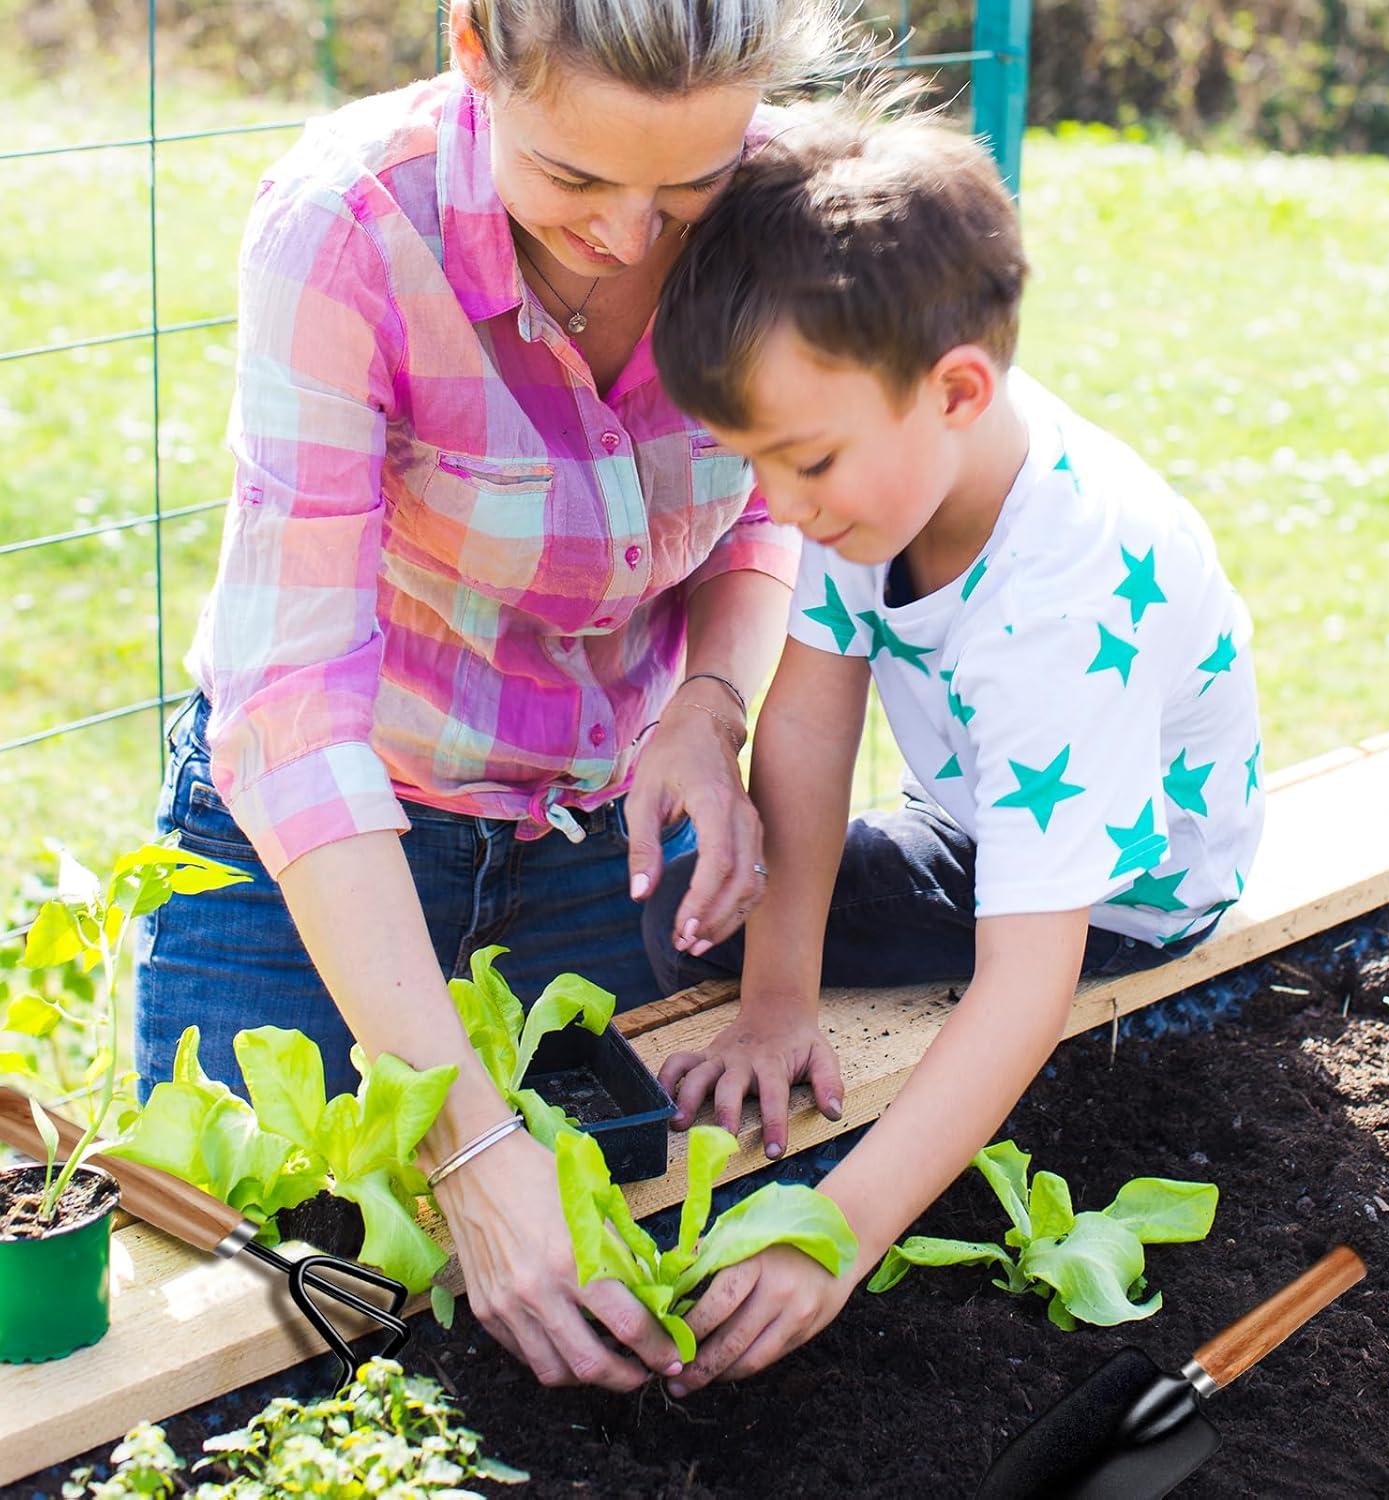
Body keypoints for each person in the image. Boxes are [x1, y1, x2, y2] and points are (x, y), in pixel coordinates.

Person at [133, 0, 857, 1392]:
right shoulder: (350, 230)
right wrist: (462, 1136)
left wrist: (712, 699)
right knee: (250, 1343)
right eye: (576, 178)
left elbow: (779, 503)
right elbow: (288, 707)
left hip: (607, 839)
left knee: (583, 1274)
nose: (634, 239)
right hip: (319, 857)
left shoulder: (788, 214)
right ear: (474, 51)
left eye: (686, 187)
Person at [644, 100, 1266, 1392]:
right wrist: (773, 1006)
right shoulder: (872, 458)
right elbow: (807, 731)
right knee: (696, 912)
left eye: (800, 464)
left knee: (719, 938)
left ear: (960, 388)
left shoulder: (1063, 594)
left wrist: (836, 1235)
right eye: (755, 466)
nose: (780, 507)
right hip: (981, 832)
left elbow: (1024, 983)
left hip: (1128, 895)